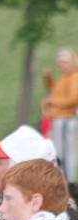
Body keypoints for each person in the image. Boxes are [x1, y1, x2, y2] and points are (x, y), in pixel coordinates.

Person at [42, 48, 78, 182]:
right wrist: (49, 78)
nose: (61, 66)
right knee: (59, 152)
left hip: (67, 120)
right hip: (59, 119)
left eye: (64, 63)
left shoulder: (75, 77)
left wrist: (52, 101)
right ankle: (63, 181)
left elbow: (73, 99)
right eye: (60, 63)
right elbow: (56, 90)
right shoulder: (65, 77)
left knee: (67, 153)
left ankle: (70, 183)